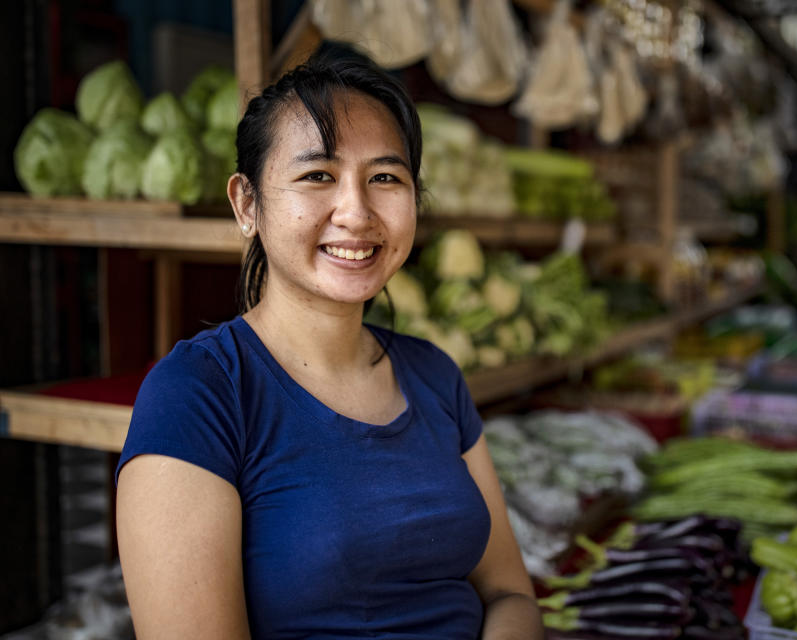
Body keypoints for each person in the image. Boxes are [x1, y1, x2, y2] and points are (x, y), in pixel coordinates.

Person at [115, 42, 543, 640]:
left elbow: (508, 594)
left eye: (385, 178)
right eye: (317, 175)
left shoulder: (434, 376)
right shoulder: (199, 395)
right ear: (247, 204)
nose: (357, 211)